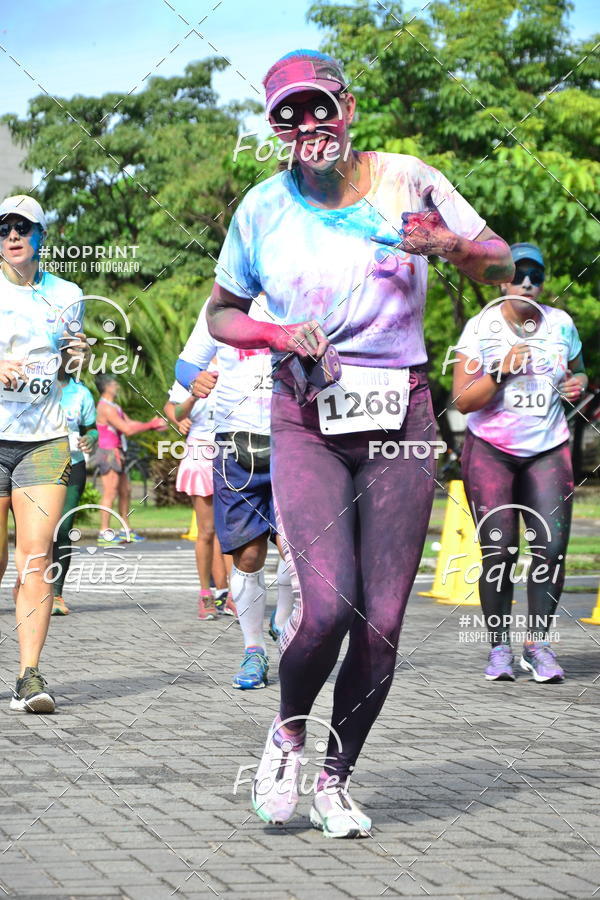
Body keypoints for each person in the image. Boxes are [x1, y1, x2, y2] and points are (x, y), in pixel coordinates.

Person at [205, 49, 514, 835]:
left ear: (348, 105)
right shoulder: (262, 208)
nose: (308, 126)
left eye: (320, 107)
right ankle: (287, 733)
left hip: (401, 418)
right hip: (306, 414)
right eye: (288, 114)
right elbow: (221, 314)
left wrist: (447, 246)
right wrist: (275, 331)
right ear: (274, 126)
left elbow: (502, 262)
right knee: (328, 605)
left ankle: (337, 777)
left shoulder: (411, 180)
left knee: (382, 622)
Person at [452, 242, 587, 684]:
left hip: (547, 448)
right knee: (499, 549)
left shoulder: (561, 325)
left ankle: (539, 645)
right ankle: (498, 649)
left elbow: (579, 371)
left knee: (551, 548)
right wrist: (500, 371)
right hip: (492, 449)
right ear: (502, 280)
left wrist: (577, 384)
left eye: (536, 276)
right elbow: (463, 400)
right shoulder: (481, 328)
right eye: (518, 275)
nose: (527, 283)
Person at [175, 300, 295, 688]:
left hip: (295, 437)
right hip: (234, 444)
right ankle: (253, 651)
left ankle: (283, 624)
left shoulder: (298, 295)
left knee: (296, 547)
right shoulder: (220, 305)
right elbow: (186, 363)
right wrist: (194, 380)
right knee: (248, 552)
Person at [0, 194, 88, 712]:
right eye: (4, 228)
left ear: (40, 237)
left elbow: (68, 364)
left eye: (23, 228)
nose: (12, 236)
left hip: (46, 439)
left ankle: (29, 676)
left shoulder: (67, 294)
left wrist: (77, 355)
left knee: (37, 558)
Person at [163, 378, 232, 619]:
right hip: (200, 453)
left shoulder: (236, 359)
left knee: (233, 529)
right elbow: (171, 406)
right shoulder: (192, 368)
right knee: (207, 531)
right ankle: (206, 594)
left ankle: (230, 594)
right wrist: (179, 418)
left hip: (232, 452)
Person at [94, 374, 166, 545]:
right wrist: (151, 425)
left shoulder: (115, 406)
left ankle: (126, 530)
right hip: (109, 453)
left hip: (119, 452)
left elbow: (131, 423)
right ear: (108, 386)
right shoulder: (106, 408)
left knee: (125, 491)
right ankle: (104, 532)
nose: (118, 387)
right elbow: (127, 429)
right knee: (110, 492)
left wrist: (150, 423)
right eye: (115, 384)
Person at [50, 358, 98, 615]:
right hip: (36, 466)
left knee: (64, 527)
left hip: (73, 465)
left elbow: (91, 429)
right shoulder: (34, 387)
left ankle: (56, 594)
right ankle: (28, 586)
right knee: (35, 531)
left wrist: (90, 439)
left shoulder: (81, 393)